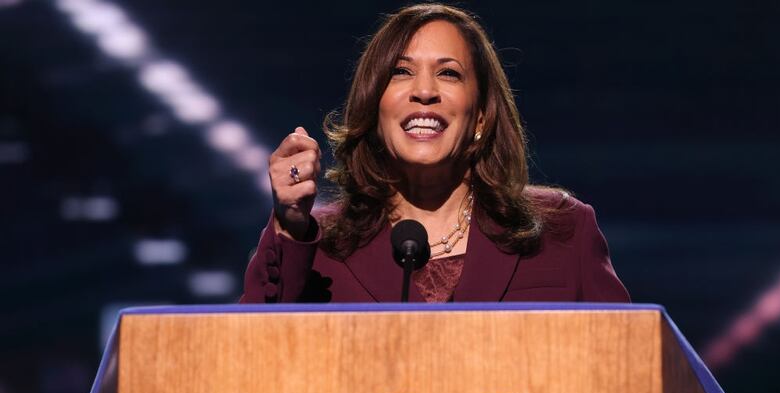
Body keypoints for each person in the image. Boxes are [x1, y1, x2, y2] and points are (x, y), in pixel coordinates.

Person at [240, 4, 629, 304]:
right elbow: (248, 360)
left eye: (449, 73)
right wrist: (290, 227)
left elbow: (629, 368)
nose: (424, 91)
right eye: (401, 72)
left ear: (480, 116)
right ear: (374, 111)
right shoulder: (319, 244)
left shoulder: (563, 230)